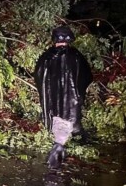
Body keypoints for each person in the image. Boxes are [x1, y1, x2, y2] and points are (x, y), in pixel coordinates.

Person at [33, 25, 93, 169]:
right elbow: (87, 76)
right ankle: (58, 152)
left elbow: (38, 75)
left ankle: (59, 149)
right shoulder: (76, 56)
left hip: (52, 101)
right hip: (71, 101)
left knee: (59, 122)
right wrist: (78, 90)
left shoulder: (47, 56)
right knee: (67, 123)